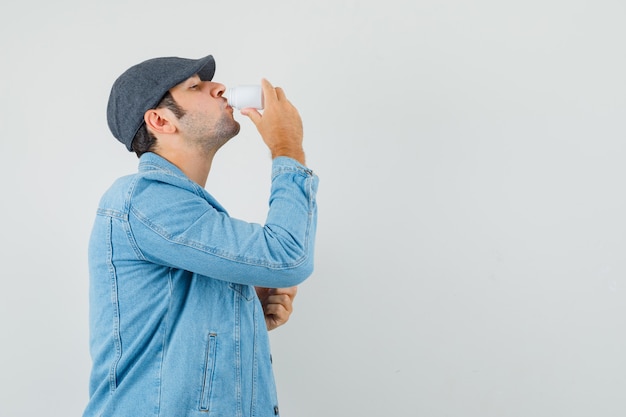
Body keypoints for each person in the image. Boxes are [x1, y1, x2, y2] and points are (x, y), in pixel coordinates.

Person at [83, 54, 318, 417]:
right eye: (195, 86)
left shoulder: (187, 214)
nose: (219, 87)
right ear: (160, 120)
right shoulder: (144, 199)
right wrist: (287, 147)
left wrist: (242, 310)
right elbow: (288, 256)